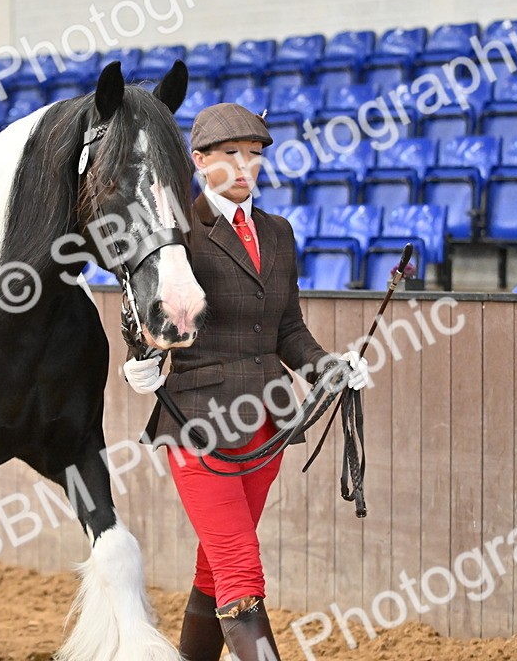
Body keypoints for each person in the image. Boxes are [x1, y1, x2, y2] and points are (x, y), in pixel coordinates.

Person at [124, 103, 370, 661]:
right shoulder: (175, 233)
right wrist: (142, 359)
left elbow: (289, 329)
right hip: (198, 421)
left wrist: (330, 368)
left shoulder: (279, 234)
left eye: (254, 156)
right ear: (200, 160)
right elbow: (153, 315)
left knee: (216, 564)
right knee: (239, 565)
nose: (245, 168)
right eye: (231, 155)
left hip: (268, 425)